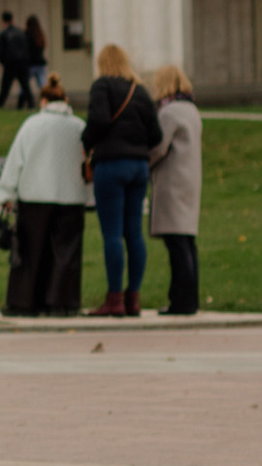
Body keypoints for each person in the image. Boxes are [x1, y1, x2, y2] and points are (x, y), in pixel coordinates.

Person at [80, 43, 162, 317]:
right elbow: (157, 135)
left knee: (112, 234)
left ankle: (114, 298)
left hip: (111, 165)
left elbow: (98, 120)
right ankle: (133, 298)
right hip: (139, 167)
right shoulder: (139, 90)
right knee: (134, 233)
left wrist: (87, 141)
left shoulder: (101, 86)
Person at [0, 73, 87, 316]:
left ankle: (24, 302)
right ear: (66, 100)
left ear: (42, 101)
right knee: (66, 253)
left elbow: (16, 161)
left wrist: (6, 193)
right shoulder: (78, 126)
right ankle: (62, 303)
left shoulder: (31, 125)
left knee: (30, 253)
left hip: (34, 195)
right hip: (71, 196)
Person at [148, 63, 203, 317]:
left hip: (172, 181)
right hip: (189, 180)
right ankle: (189, 298)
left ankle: (181, 301)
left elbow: (158, 147)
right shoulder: (191, 109)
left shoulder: (168, 112)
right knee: (186, 242)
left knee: (177, 244)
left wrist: (143, 162)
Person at [0, 10, 36, 110]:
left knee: (5, 87)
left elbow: (0, 51)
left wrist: (3, 62)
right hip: (22, 63)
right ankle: (31, 104)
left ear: (3, 21)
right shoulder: (21, 32)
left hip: (10, 64)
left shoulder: (3, 34)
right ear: (12, 20)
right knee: (25, 85)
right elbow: (27, 48)